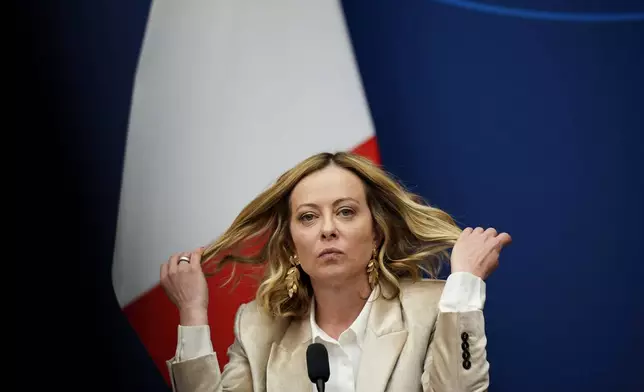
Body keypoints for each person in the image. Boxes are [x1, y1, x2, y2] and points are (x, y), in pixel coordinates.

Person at [160, 151, 511, 392]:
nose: (327, 229)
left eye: (345, 212)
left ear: (376, 233)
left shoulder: (433, 309)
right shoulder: (258, 327)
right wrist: (192, 312)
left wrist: (465, 284)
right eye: (308, 217)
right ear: (291, 245)